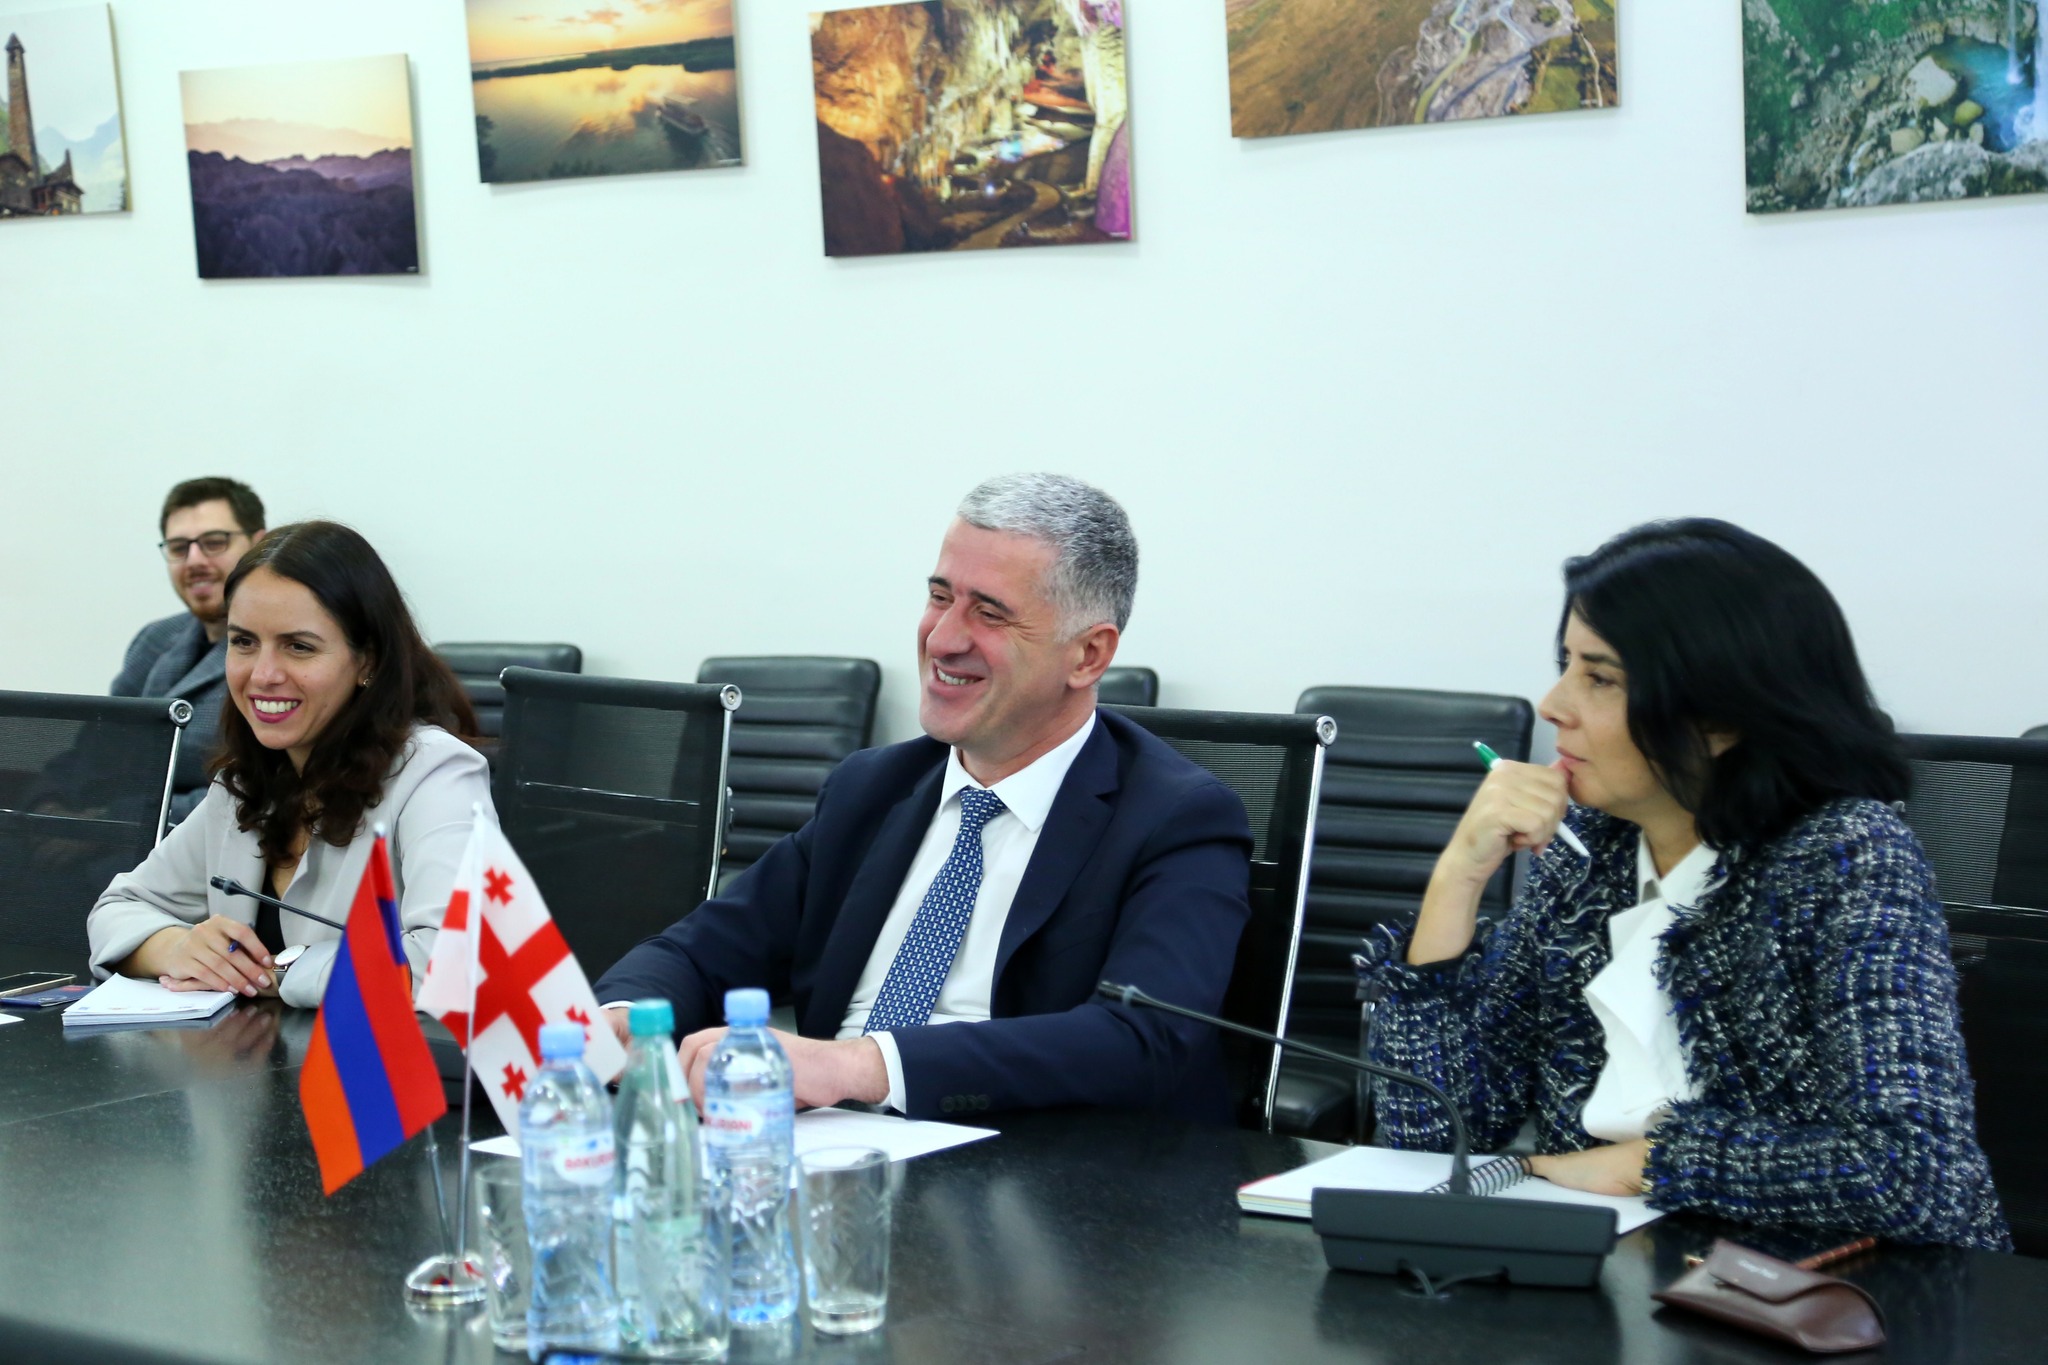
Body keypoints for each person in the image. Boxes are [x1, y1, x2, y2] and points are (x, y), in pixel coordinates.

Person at [1358, 518, 2010, 1251]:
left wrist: (1649, 1162)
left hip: (1848, 1284)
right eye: (1566, 664)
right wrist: (1460, 875)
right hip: (1620, 1268)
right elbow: (1433, 1131)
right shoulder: (1588, 854)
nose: (1553, 704)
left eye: (1600, 677)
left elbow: (1915, 1175)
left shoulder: (1846, 856)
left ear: (1722, 717)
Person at [594, 474, 1254, 1122]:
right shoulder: (871, 788)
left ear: (1087, 655)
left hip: (1027, 1165)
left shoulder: (1178, 819)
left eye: (990, 613)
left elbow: (1143, 1038)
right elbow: (698, 952)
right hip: (820, 1150)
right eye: (940, 597)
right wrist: (623, 1020)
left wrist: (858, 1066)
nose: (941, 638)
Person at [88, 521, 488, 1009]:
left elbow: (454, 963)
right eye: (244, 642)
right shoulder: (244, 782)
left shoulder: (436, 774)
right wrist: (175, 947)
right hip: (248, 1054)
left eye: (299, 646)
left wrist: (279, 971)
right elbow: (120, 907)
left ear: (368, 661)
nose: (263, 674)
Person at [113, 478, 268, 824]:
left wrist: (116, 816)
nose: (194, 560)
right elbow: (95, 748)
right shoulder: (153, 639)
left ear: (259, 544)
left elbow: (261, 790)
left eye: (214, 542)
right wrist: (49, 803)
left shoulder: (279, 654)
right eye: (179, 547)